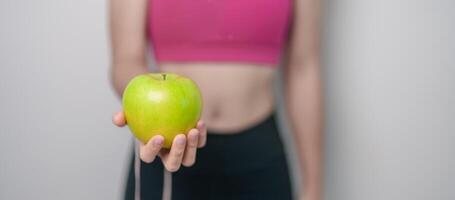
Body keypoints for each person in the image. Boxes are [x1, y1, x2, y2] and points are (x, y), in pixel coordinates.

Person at [110, 0, 323, 199]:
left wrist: (313, 186)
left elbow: (303, 69)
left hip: (260, 153)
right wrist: (143, 109)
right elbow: (126, 60)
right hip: (165, 149)